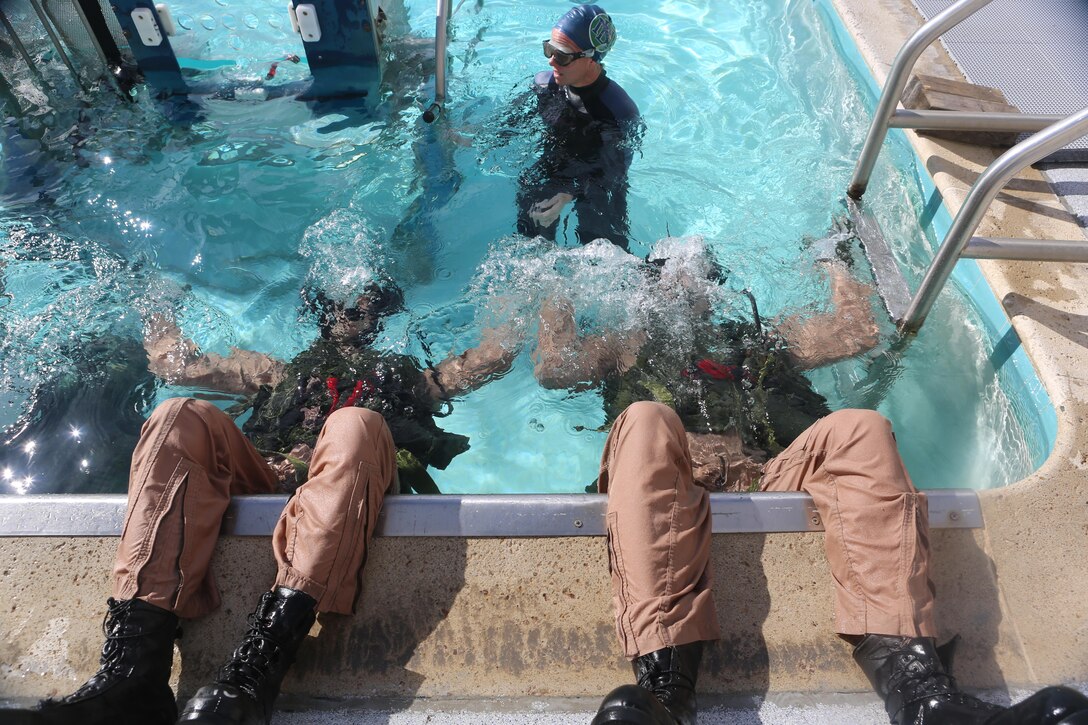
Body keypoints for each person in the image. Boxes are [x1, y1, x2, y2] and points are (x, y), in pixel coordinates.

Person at [579, 257, 1088, 722]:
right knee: (644, 419)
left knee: (858, 427)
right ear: (644, 293)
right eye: (667, 275)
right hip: (676, 483)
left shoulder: (759, 343)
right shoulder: (625, 346)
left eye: (699, 274)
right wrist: (548, 299)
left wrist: (836, 260)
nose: (684, 282)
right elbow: (553, 368)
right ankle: (667, 689)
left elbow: (856, 331)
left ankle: (918, 691)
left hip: (771, 474)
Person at [6, 283, 512, 725]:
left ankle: (260, 666)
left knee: (354, 423)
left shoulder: (414, 380)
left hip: (352, 485)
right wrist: (154, 298)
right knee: (177, 415)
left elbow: (493, 358)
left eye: (369, 303)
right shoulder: (277, 371)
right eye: (343, 302)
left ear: (383, 315)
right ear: (323, 310)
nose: (355, 309)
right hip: (271, 475)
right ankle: (133, 672)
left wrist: (524, 294)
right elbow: (176, 363)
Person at [514, 5, 641, 251]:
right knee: (532, 239)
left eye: (562, 55)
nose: (551, 60)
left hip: (598, 184)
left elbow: (614, 173)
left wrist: (570, 193)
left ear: (591, 57)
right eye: (549, 49)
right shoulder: (545, 85)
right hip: (553, 170)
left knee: (605, 254)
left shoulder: (618, 111)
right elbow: (510, 124)